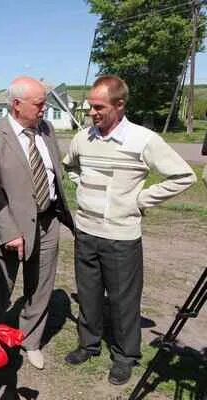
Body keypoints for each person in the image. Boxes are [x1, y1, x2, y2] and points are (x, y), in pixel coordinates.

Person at [62, 75, 197, 385]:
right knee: (89, 294)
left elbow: (183, 176)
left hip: (121, 236)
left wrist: (141, 199)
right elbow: (69, 165)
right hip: (86, 231)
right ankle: (89, 344)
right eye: (89, 107)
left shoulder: (143, 139)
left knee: (124, 300)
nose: (92, 113)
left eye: (98, 107)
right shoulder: (83, 138)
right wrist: (81, 185)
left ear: (120, 105)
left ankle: (124, 356)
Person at [0, 76, 74, 370]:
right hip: (12, 229)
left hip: (48, 223)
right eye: (39, 103)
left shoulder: (46, 129)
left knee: (41, 286)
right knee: (1, 288)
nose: (45, 109)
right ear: (16, 105)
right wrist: (9, 231)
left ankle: (31, 341)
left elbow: (53, 171)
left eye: (44, 103)